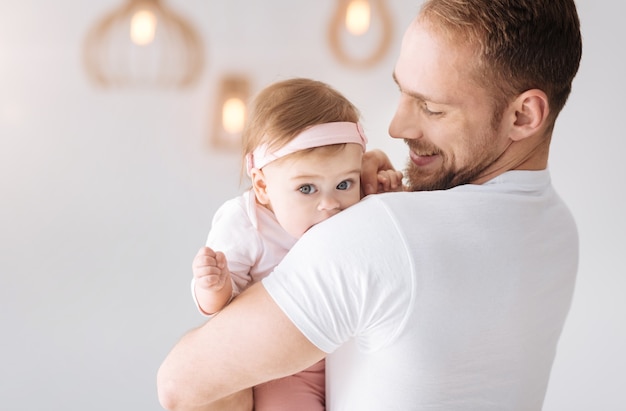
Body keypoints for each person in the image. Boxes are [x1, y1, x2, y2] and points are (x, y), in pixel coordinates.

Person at [158, 0, 582, 409]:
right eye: (402, 92)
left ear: (524, 116)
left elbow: (181, 384)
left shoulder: (377, 234)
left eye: (431, 108)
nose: (397, 127)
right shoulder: (560, 231)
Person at [189, 77, 403, 411]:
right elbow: (222, 311)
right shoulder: (246, 223)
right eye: (307, 189)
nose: (330, 204)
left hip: (349, 350)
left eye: (344, 183)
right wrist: (214, 285)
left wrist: (384, 188)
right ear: (262, 185)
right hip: (284, 367)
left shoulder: (350, 208)